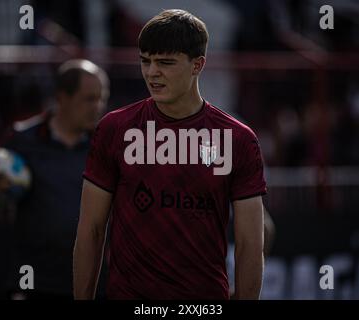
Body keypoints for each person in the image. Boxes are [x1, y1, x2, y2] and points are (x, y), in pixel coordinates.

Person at [74, 9, 267, 300]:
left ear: (197, 65)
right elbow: (91, 230)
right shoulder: (114, 129)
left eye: (165, 62)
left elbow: (250, 244)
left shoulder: (238, 139)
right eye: (145, 61)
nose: (152, 72)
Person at [2, 59, 109, 299]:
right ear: (63, 97)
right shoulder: (22, 142)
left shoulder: (107, 147)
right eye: (89, 98)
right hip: (35, 283)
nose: (98, 106)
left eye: (101, 98)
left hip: (91, 286)